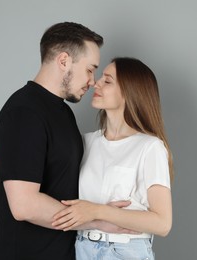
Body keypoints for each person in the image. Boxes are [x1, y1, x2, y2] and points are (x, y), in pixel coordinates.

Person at [0, 22, 104, 260]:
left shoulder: (62, 112)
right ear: (64, 61)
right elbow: (24, 205)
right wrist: (99, 222)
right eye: (90, 69)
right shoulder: (24, 112)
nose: (92, 81)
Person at [51, 57, 174, 260]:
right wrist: (12, 167)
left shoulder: (150, 147)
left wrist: (97, 211)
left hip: (125, 252)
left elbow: (162, 223)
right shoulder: (85, 142)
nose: (95, 83)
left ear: (130, 92)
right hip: (81, 249)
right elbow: (55, 188)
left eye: (107, 81)